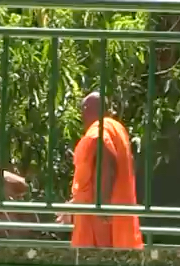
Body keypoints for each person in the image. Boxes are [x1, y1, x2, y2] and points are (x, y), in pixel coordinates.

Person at [57, 92, 143, 249]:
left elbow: (106, 165)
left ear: (86, 109)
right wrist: (75, 203)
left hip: (100, 217)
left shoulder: (100, 130)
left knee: (99, 261)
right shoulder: (117, 129)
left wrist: (101, 205)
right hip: (116, 210)